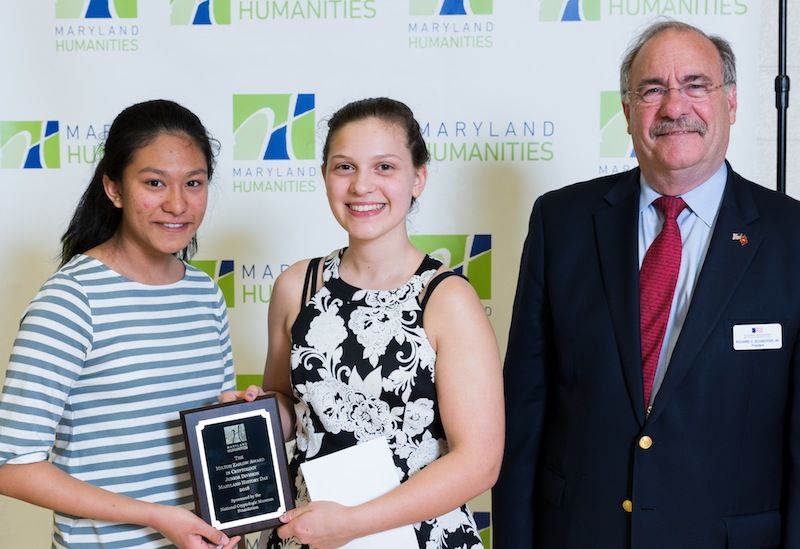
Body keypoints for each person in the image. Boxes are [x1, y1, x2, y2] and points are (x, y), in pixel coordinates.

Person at [493, 20, 799, 549]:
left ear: (731, 104)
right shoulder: (560, 223)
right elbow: (523, 416)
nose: (674, 106)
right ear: (629, 110)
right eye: (653, 89)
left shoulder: (792, 237)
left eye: (696, 85)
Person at [231, 97, 504, 548]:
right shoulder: (296, 287)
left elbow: (479, 462)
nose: (362, 186)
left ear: (418, 177)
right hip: (310, 532)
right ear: (324, 177)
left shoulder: (446, 298)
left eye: (384, 167)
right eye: (344, 167)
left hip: (417, 536)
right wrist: (251, 411)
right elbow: (289, 407)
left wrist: (354, 523)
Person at [0, 99, 240, 549]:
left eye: (194, 183)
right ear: (114, 189)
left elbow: (213, 434)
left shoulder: (205, 294)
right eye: (154, 183)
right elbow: (13, 467)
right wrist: (156, 518)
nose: (177, 203)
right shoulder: (72, 300)